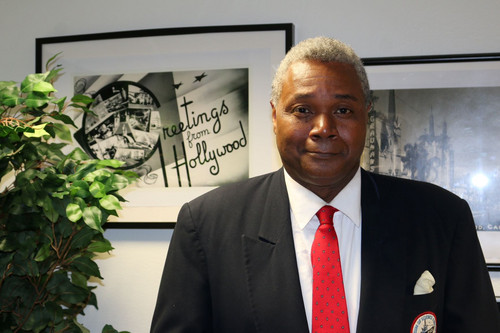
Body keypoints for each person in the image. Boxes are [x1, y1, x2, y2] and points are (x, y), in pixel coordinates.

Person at [150, 37, 500, 332]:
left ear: (367, 115)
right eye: (302, 110)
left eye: (343, 111)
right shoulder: (207, 224)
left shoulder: (441, 217)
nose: (323, 128)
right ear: (275, 117)